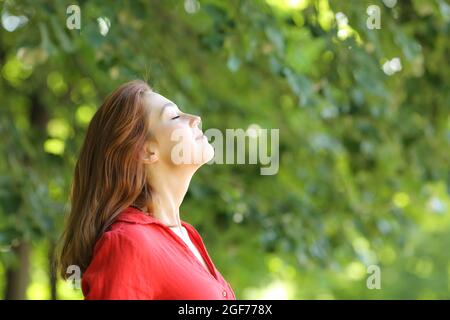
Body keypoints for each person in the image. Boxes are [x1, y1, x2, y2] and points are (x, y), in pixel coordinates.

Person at [58, 80, 236, 300]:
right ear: (146, 151)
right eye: (174, 117)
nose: (195, 119)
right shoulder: (128, 243)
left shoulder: (185, 234)